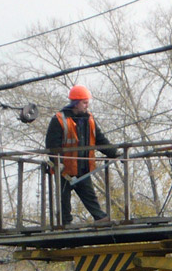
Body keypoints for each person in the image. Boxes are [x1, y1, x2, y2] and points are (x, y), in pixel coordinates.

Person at [45, 84, 118, 225]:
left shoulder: (89, 119)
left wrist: (114, 153)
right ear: (75, 103)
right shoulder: (59, 120)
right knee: (63, 199)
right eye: (84, 103)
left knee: (89, 195)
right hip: (64, 170)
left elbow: (100, 140)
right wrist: (57, 162)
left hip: (83, 167)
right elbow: (52, 146)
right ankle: (65, 224)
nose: (87, 106)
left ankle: (100, 218)